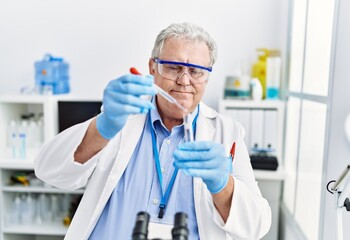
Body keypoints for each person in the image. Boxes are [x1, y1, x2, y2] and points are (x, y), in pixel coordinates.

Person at [34, 22, 271, 240]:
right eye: (173, 67)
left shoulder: (226, 133)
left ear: (207, 77)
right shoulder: (123, 116)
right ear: (152, 67)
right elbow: (47, 170)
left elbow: (256, 227)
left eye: (196, 71)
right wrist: (104, 127)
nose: (184, 80)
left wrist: (223, 185)